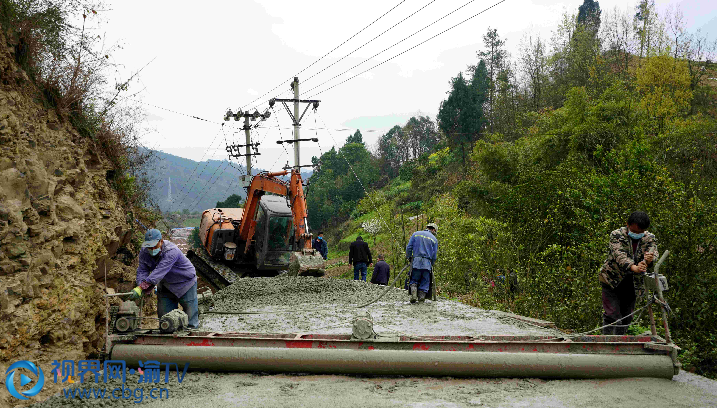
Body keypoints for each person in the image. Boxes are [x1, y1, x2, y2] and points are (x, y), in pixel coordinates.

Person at [598, 211, 658, 335]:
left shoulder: (649, 238)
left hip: (632, 283)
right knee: (612, 315)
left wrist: (648, 261)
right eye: (634, 231)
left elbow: (653, 253)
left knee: (627, 316)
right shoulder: (616, 235)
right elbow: (619, 255)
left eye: (639, 233)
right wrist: (633, 267)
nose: (636, 234)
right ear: (628, 225)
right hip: (611, 280)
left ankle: (619, 343)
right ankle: (607, 341)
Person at [130, 229, 199, 329]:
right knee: (165, 320)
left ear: (161, 241)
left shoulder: (171, 251)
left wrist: (142, 287)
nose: (152, 249)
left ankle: (192, 340)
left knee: (190, 317)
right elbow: (142, 270)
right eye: (149, 246)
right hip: (166, 284)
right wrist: (140, 285)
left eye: (155, 246)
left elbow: (159, 271)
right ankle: (168, 341)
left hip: (185, 283)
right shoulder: (144, 252)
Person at [406, 223, 438, 303]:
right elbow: (434, 255)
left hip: (416, 261)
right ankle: (421, 298)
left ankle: (413, 294)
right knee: (425, 281)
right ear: (433, 230)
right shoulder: (434, 239)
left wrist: (409, 257)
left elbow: (409, 248)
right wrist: (432, 263)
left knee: (414, 279)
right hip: (427, 263)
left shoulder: (416, 234)